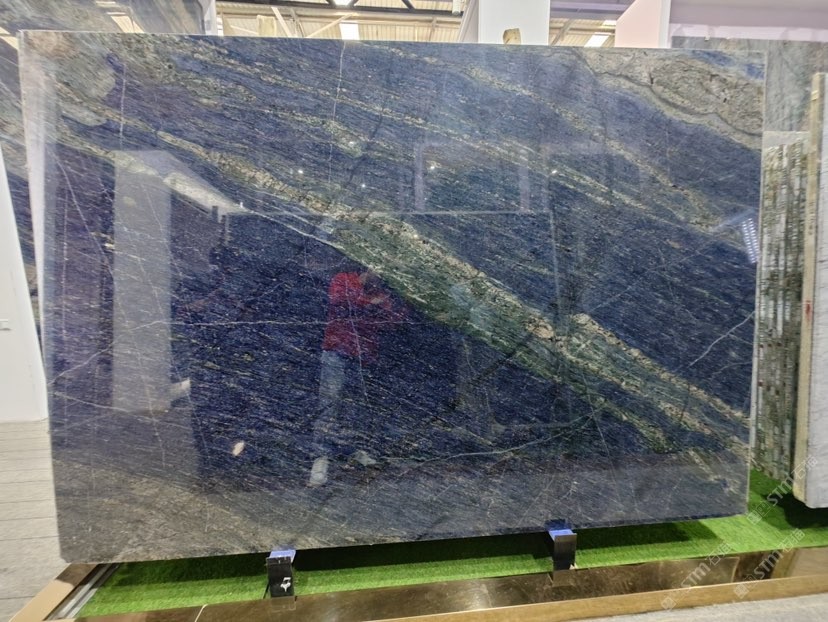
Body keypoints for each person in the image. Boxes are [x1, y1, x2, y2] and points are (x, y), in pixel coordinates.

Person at [309, 269, 406, 487]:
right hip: (336, 351)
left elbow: (391, 323)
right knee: (329, 404)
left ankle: (351, 450)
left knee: (355, 407)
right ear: (368, 268)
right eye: (379, 272)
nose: (381, 278)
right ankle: (321, 458)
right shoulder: (344, 279)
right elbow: (340, 302)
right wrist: (372, 304)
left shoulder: (380, 294)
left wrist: (403, 305)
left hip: (363, 356)